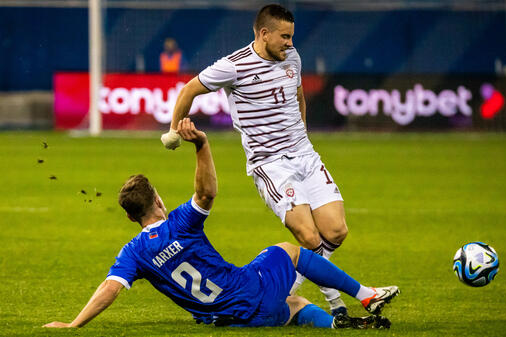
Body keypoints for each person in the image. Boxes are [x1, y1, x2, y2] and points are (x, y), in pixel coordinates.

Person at [43, 119, 397, 330]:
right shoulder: (180, 223)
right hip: (247, 293)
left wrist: (74, 324)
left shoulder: (133, 253)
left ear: (129, 217)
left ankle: (336, 322)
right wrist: (202, 145)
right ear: (159, 201)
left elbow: (110, 289)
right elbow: (207, 192)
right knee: (286, 251)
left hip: (225, 318)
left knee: (294, 304)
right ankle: (365, 296)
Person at [160, 4, 399, 315]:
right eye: (284, 36)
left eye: (292, 36)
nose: (290, 43)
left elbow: (298, 96)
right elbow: (189, 89)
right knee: (309, 236)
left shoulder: (292, 58)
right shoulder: (233, 66)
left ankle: (283, 291)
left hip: (304, 155)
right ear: (263, 34)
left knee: (336, 232)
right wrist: (173, 131)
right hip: (270, 163)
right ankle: (341, 302)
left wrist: (303, 135)